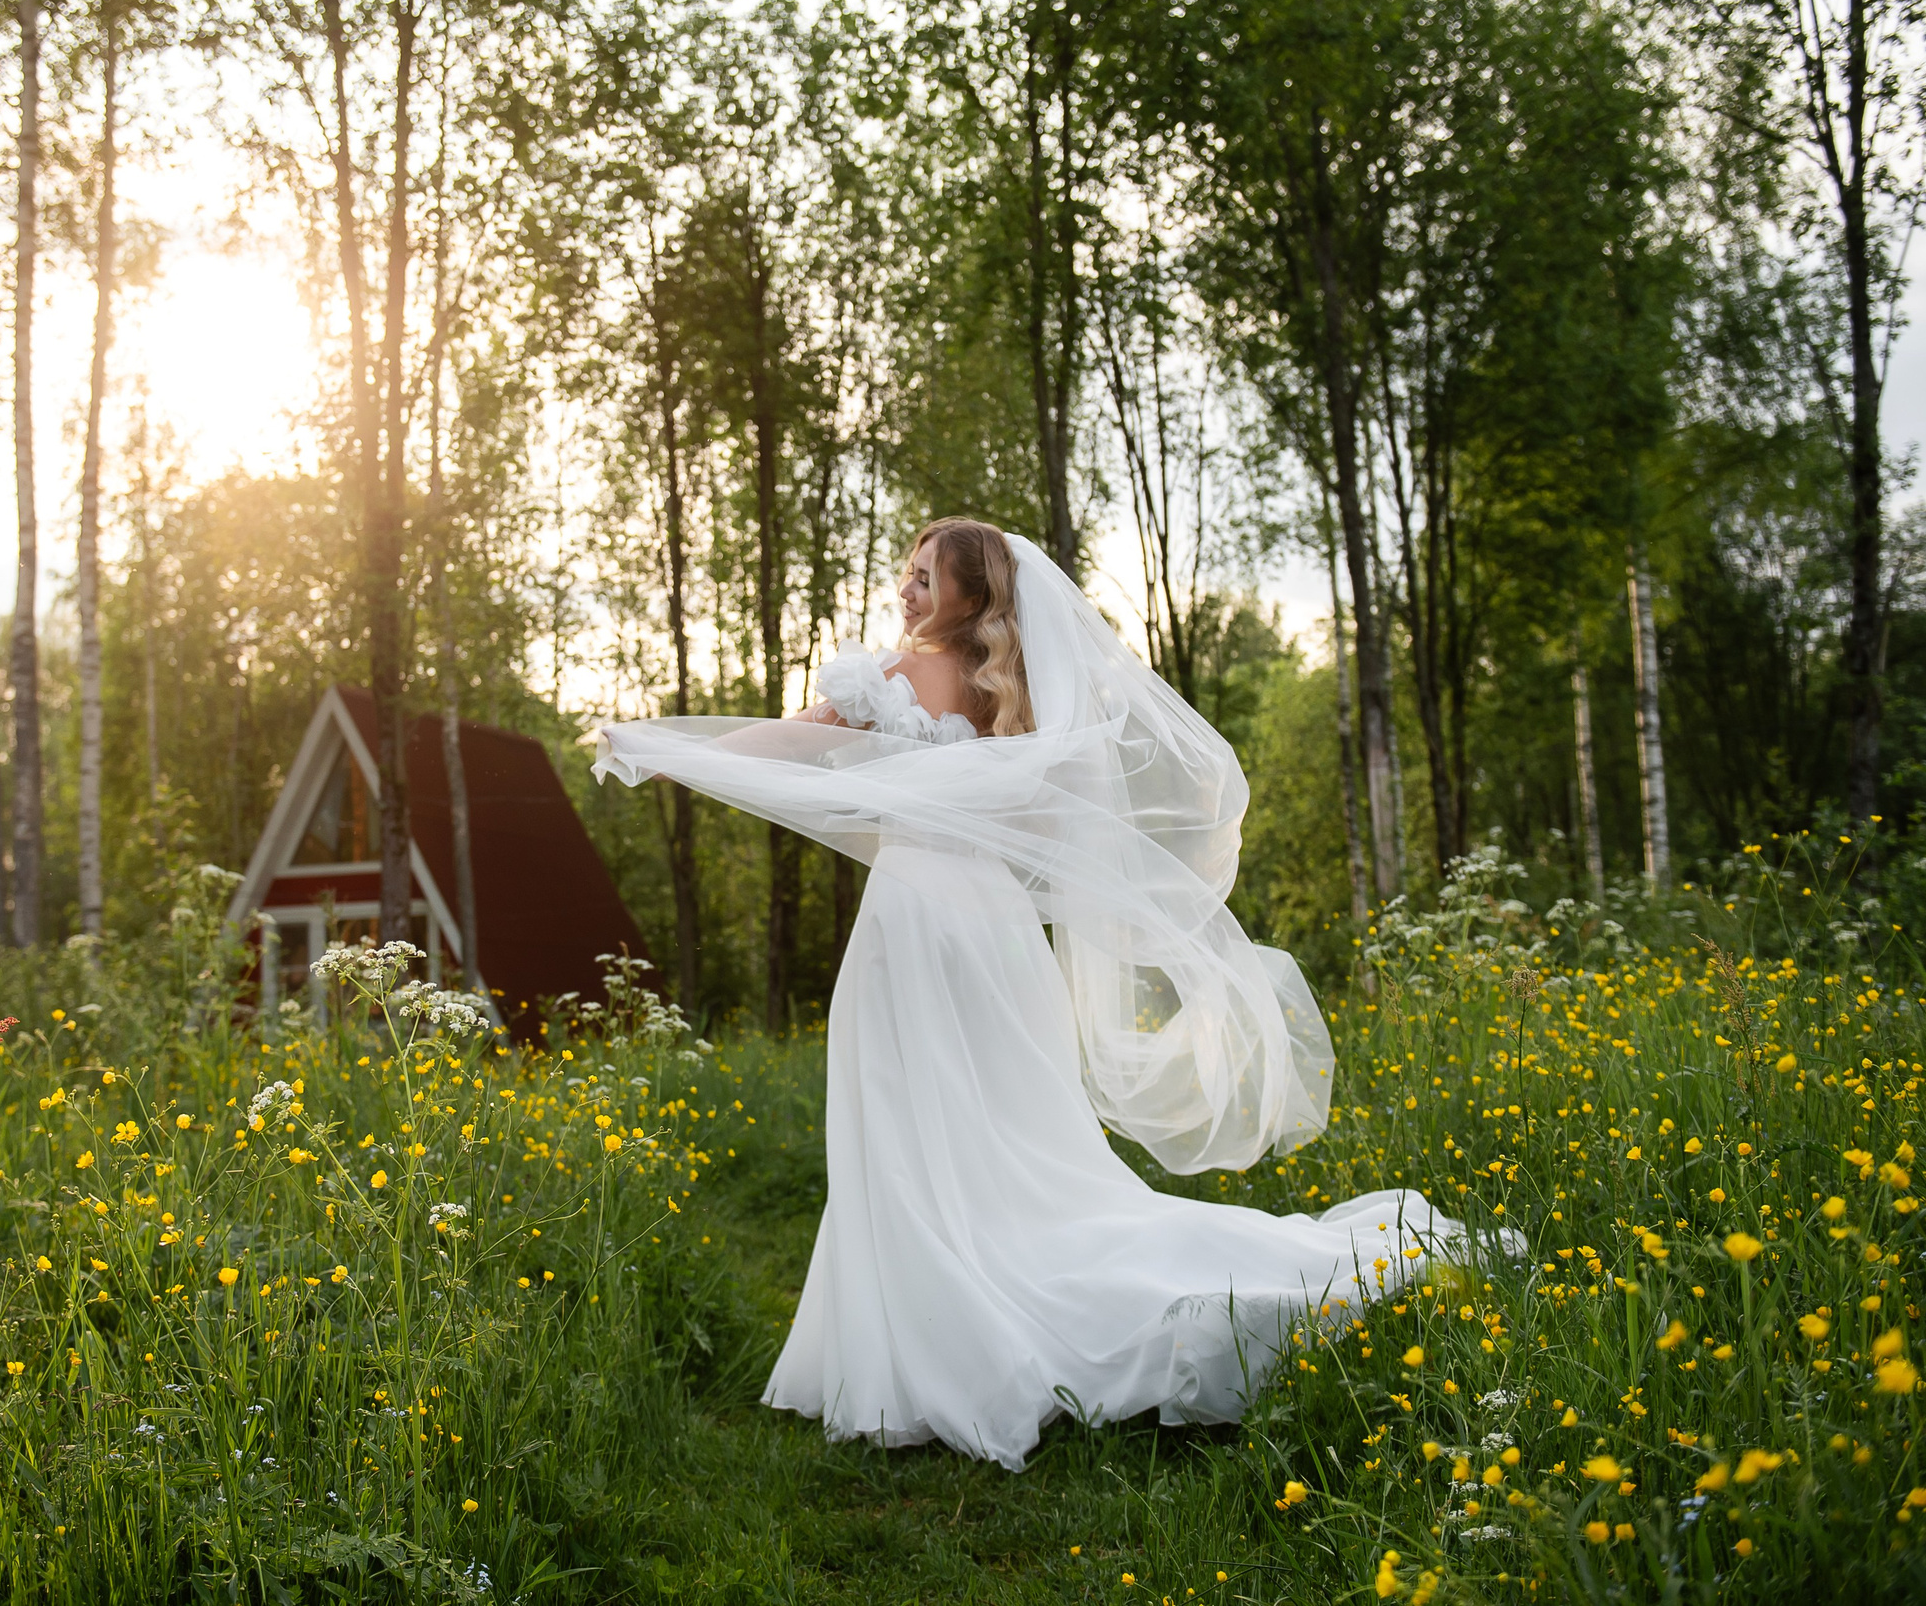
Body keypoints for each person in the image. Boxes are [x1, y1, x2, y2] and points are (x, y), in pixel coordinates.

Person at [592, 517, 1492, 1471]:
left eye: (926, 577)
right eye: (908, 572)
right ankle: (993, 1293)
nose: (907, 591)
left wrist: (660, 747)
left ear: (971, 597)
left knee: (912, 1125)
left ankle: (938, 1342)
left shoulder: (900, 676)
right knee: (1016, 1133)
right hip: (1003, 936)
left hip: (918, 922)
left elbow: (792, 742)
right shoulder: (1014, 696)